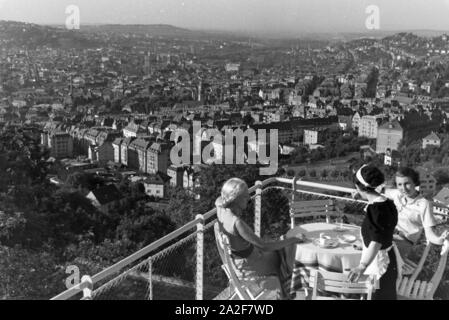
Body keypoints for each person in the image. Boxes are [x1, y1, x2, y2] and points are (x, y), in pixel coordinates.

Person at [216, 178, 305, 299]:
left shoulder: (221, 209)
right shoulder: (237, 223)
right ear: (235, 199)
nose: (249, 199)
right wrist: (294, 239)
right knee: (283, 258)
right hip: (249, 267)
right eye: (245, 197)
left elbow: (219, 199)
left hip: (237, 262)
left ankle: (286, 292)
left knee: (281, 249)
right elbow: (264, 246)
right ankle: (287, 294)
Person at [348, 165, 398, 300]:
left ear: (358, 187)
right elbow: (383, 232)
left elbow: (376, 242)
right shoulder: (387, 203)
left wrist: (361, 266)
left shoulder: (374, 210)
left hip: (380, 262)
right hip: (389, 258)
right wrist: (364, 245)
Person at [382, 167, 449, 259]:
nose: (403, 188)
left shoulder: (423, 204)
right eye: (400, 184)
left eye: (407, 183)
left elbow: (429, 233)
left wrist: (439, 240)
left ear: (415, 183)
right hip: (387, 235)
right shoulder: (397, 194)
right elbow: (378, 190)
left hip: (402, 242)